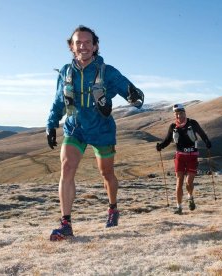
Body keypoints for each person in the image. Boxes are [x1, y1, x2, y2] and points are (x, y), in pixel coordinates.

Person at [46, 26, 144, 241]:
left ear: (95, 46)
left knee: (106, 173)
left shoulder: (107, 71)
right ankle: (66, 224)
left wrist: (131, 98)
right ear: (71, 47)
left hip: (102, 130)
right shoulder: (66, 71)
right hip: (75, 128)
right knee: (67, 167)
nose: (83, 46)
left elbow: (132, 94)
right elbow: (58, 101)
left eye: (87, 42)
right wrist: (51, 125)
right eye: (78, 42)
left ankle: (112, 208)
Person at [156, 104, 211, 215]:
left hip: (192, 155)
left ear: (184, 113)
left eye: (180, 113)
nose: (179, 116)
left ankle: (190, 197)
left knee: (188, 182)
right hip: (180, 156)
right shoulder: (173, 127)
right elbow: (167, 140)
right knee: (179, 181)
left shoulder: (193, 123)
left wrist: (207, 142)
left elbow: (202, 133)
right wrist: (161, 146)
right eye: (176, 114)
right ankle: (179, 207)